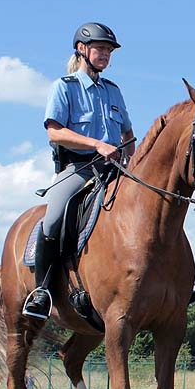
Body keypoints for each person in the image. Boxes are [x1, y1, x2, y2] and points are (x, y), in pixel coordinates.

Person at [23, 22, 133, 319]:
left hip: (114, 170)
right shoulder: (64, 86)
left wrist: (131, 163)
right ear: (82, 50)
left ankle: (177, 282)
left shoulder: (113, 91)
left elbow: (127, 134)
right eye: (100, 49)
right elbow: (54, 132)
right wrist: (96, 144)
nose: (105, 55)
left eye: (109, 50)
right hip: (79, 168)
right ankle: (42, 290)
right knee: (55, 216)